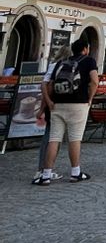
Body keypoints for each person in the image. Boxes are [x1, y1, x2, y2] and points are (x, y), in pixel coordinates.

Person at [38, 37, 98, 185]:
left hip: (58, 105)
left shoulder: (61, 62)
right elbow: (94, 81)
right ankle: (75, 173)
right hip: (78, 105)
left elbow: (49, 85)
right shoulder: (89, 61)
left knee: (54, 139)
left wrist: (49, 103)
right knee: (75, 139)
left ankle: (45, 175)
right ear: (85, 49)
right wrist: (90, 98)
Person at [31, 45, 71, 185]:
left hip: (52, 105)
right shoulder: (63, 66)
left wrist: (44, 105)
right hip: (58, 105)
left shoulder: (55, 65)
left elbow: (45, 86)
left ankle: (45, 169)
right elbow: (46, 86)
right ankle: (43, 169)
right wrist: (45, 105)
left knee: (52, 137)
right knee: (52, 138)